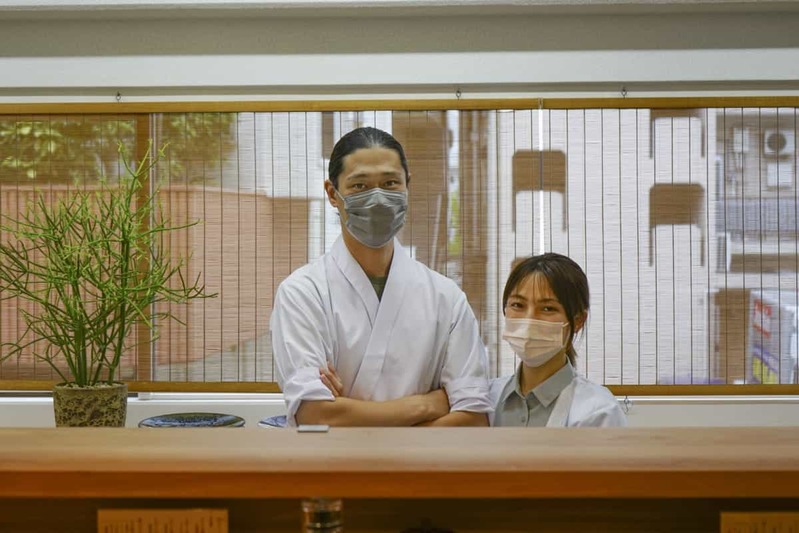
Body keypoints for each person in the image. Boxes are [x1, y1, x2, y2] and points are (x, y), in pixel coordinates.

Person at [270, 126, 492, 427]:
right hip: (332, 472)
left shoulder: (446, 298)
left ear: (407, 186)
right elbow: (314, 413)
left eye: (390, 183)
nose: (378, 198)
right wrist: (427, 404)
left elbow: (473, 418)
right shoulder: (303, 294)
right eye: (359, 186)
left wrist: (347, 411)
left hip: (422, 474)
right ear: (332, 194)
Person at [490, 253, 626, 427]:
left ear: (578, 320)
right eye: (518, 305)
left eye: (548, 308)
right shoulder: (485, 400)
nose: (530, 320)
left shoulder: (598, 411)